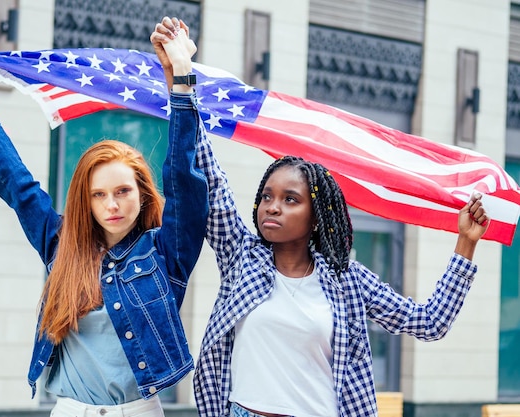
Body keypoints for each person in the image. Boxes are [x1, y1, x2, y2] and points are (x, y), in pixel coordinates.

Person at [151, 19, 490, 417]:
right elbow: (208, 172)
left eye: (289, 199)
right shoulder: (241, 256)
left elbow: (429, 322)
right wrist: (181, 76)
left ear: (316, 216)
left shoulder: (347, 280)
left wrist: (465, 243)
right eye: (266, 197)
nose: (271, 207)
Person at [0, 37, 208, 417]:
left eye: (122, 191)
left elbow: (184, 177)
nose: (111, 204)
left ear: (144, 193)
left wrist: (182, 78)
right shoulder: (61, 245)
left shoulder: (166, 254)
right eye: (98, 195)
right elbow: (16, 184)